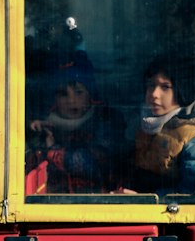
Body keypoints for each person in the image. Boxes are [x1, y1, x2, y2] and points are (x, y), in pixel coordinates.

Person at [127, 58, 195, 193]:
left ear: (182, 90)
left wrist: (146, 200)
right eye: (151, 85)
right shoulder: (146, 129)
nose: (154, 94)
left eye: (165, 87)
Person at [25, 55, 124, 194]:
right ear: (54, 100)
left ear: (90, 95)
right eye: (63, 94)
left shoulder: (105, 122)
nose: (71, 101)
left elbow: (92, 164)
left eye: (79, 92)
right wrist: (33, 133)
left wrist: (53, 150)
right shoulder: (46, 128)